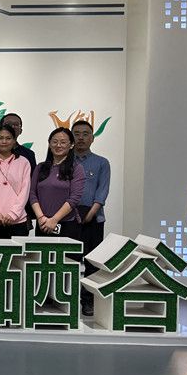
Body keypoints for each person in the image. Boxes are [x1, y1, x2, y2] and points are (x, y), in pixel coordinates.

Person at [72, 119, 110, 316]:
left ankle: (88, 302)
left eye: (85, 134)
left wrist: (91, 213)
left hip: (92, 219)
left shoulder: (102, 163)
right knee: (69, 261)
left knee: (92, 263)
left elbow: (102, 191)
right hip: (69, 217)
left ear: (92, 138)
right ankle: (66, 301)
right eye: (77, 134)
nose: (81, 137)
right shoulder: (64, 161)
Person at [30, 127, 85, 242]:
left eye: (63, 142)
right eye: (54, 142)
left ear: (71, 145)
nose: (58, 145)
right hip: (43, 223)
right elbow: (32, 194)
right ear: (49, 144)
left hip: (67, 224)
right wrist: (41, 217)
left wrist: (54, 219)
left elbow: (74, 198)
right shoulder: (40, 167)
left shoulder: (76, 168)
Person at [0, 123, 31, 238]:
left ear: (14, 140)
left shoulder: (23, 162)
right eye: (0, 138)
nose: (4, 141)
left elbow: (25, 191)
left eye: (8, 138)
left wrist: (13, 214)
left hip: (18, 221)